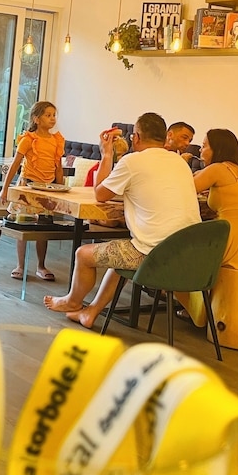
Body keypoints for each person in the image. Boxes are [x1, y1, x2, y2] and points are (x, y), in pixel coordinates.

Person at [43, 113, 201, 328]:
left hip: (153, 253)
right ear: (164, 137)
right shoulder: (180, 162)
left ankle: (72, 301)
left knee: (83, 254)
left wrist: (107, 154)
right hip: (190, 252)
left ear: (137, 137)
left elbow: (100, 194)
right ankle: (90, 313)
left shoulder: (133, 161)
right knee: (120, 257)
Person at [189, 128, 238, 351]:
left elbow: (185, 187)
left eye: (204, 146)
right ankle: (201, 310)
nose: (201, 151)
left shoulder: (218, 169)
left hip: (229, 236)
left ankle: (193, 308)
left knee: (185, 252)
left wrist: (182, 163)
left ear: (217, 149)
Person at [0, 101, 65, 282]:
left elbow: (59, 168)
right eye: (48, 115)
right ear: (37, 119)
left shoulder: (57, 140)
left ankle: (41, 266)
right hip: (27, 188)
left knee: (43, 229)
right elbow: (15, 165)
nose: (52, 119)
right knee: (24, 227)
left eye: (54, 115)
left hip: (47, 190)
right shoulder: (28, 139)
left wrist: (61, 190)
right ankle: (20, 265)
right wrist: (5, 189)